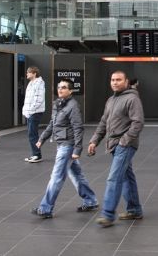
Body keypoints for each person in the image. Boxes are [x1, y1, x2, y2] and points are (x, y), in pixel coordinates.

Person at [31, 79, 98, 218]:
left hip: (68, 146)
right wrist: (42, 138)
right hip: (61, 144)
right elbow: (52, 123)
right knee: (76, 174)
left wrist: (77, 150)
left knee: (56, 177)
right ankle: (90, 200)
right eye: (59, 87)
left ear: (71, 91)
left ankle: (45, 208)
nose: (60, 89)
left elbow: (78, 128)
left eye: (64, 87)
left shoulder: (73, 106)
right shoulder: (58, 104)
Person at [88, 71, 145, 228]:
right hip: (113, 145)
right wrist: (94, 141)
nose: (115, 82)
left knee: (114, 178)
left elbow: (138, 123)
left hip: (125, 145)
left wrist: (124, 141)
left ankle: (107, 215)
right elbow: (103, 122)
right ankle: (134, 210)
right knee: (127, 177)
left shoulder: (132, 99)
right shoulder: (111, 100)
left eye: (118, 80)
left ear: (126, 82)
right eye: (112, 80)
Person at [22, 66, 45, 163]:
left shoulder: (39, 83)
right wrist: (25, 110)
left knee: (32, 134)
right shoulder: (31, 83)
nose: (27, 74)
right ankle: (35, 154)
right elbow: (28, 99)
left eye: (29, 72)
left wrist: (30, 110)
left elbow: (38, 99)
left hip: (35, 112)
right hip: (30, 113)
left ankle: (37, 155)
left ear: (34, 73)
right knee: (32, 134)